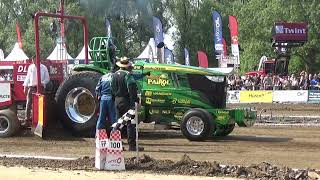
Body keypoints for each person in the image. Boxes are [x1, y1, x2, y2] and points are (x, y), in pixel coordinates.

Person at [111, 57, 144, 151]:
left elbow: (111, 89)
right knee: (130, 123)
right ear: (127, 66)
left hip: (117, 100)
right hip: (126, 101)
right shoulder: (128, 75)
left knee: (119, 123)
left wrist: (115, 99)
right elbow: (131, 89)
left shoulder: (113, 75)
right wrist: (136, 101)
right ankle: (132, 145)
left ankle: (116, 144)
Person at [22, 57, 50, 125]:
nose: (33, 62)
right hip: (31, 88)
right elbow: (28, 77)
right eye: (32, 61)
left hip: (41, 88)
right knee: (28, 104)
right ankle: (27, 120)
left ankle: (40, 121)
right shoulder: (31, 67)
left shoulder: (44, 67)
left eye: (34, 60)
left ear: (38, 60)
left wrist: (42, 82)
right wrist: (25, 86)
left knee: (40, 104)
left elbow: (47, 79)